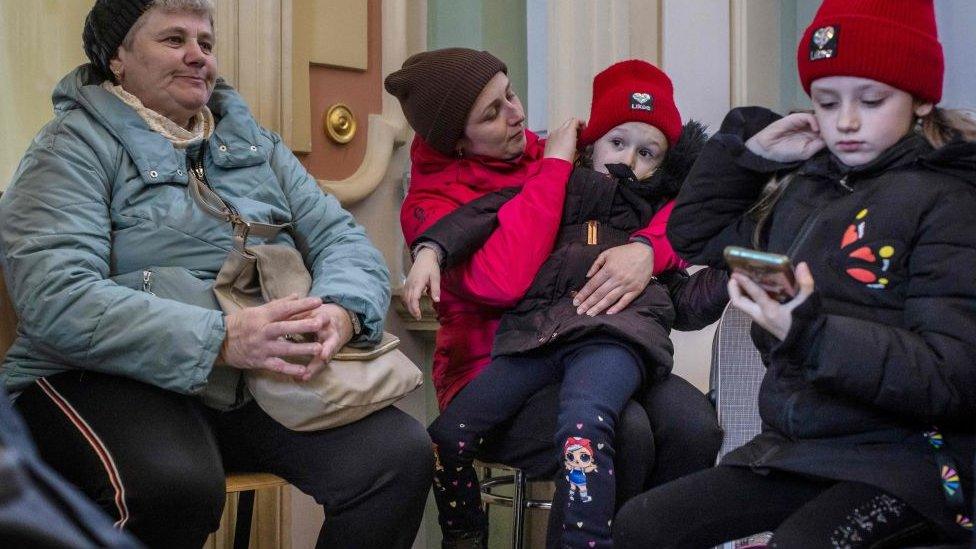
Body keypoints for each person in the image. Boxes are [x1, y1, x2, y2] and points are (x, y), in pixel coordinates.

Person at [0, 0, 432, 547]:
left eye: (206, 43)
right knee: (171, 488)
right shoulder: (69, 149)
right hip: (96, 376)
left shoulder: (255, 146)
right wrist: (223, 338)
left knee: (395, 458)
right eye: (173, 39)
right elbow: (57, 299)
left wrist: (342, 312)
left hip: (244, 381)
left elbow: (341, 239)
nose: (197, 56)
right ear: (117, 58)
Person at [614, 0, 976, 547]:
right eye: (827, 102)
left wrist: (809, 331)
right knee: (642, 526)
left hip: (913, 463)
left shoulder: (948, 200)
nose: (846, 121)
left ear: (922, 98)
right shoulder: (811, 184)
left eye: (872, 100)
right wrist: (750, 154)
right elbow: (694, 236)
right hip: (802, 452)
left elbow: (949, 376)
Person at [385, 48, 723, 547]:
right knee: (625, 433)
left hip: (600, 337)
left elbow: (677, 204)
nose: (517, 114)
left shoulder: (551, 155)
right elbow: (505, 280)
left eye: (511, 95)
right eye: (492, 113)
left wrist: (648, 251)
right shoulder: (436, 201)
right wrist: (556, 166)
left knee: (694, 427)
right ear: (458, 139)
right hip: (506, 359)